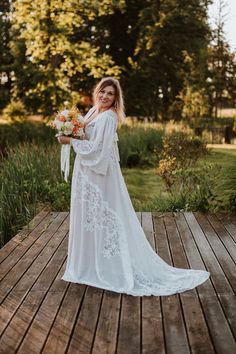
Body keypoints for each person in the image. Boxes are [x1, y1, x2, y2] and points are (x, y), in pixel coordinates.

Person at [57, 77, 210, 296]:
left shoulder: (109, 117)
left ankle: (109, 267)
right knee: (89, 217)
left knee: (103, 215)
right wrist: (69, 130)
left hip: (100, 174)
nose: (105, 97)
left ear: (116, 99)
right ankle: (87, 265)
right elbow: (85, 135)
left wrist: (70, 141)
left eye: (110, 94)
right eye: (103, 92)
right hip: (86, 173)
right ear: (96, 92)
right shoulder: (93, 111)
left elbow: (97, 149)